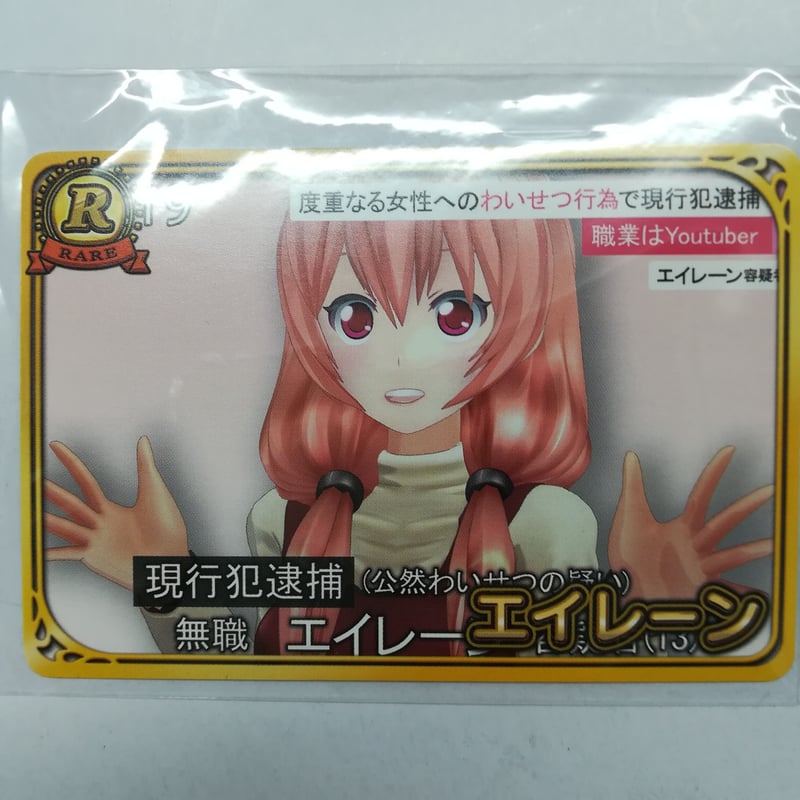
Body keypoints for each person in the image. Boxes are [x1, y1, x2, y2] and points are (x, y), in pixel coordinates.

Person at [44, 216, 773, 657]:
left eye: (455, 313)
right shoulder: (284, 517)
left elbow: (577, 696)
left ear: (524, 325)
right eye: (355, 316)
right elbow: (249, 673)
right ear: (311, 330)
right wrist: (164, 581)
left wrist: (656, 617)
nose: (404, 357)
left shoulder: (545, 522)